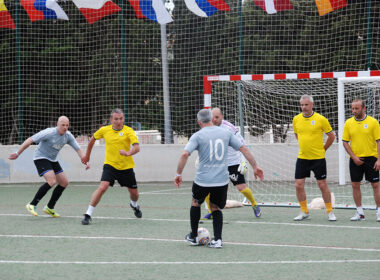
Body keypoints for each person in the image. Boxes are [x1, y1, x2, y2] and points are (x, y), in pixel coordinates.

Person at [174, 109, 264, 248]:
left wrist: (178, 174)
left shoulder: (197, 136)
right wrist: (255, 166)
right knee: (215, 207)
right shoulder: (226, 133)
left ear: (199, 122)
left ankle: (193, 237)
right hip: (221, 180)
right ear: (211, 119)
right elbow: (244, 149)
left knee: (196, 203)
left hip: (203, 180)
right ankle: (218, 240)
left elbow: (185, 154)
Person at [8, 116, 89, 217]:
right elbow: (30, 140)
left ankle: (49, 207)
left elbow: (78, 149)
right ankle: (32, 204)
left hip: (53, 160)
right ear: (57, 124)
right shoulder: (49, 132)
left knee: (64, 183)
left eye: (67, 125)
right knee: (52, 181)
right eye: (62, 125)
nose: (65, 127)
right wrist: (18, 153)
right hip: (40, 157)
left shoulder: (68, 136)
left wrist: (85, 161)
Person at [81, 108, 142, 225]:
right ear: (111, 120)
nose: (119, 121)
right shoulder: (104, 130)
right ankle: (88, 214)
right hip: (110, 165)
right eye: (116, 119)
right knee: (103, 187)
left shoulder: (129, 131)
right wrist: (87, 156)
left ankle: (134, 205)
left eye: (121, 119)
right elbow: (92, 140)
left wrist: (128, 153)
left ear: (123, 119)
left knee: (134, 194)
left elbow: (137, 147)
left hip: (126, 167)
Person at [201, 107, 261, 219]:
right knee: (206, 189)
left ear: (222, 117)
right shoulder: (208, 128)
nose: (214, 120)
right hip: (218, 164)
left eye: (217, 117)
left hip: (233, 163)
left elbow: (242, 145)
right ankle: (212, 213)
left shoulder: (229, 128)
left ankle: (254, 205)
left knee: (241, 188)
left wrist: (244, 161)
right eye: (212, 117)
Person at [292, 95, 337, 221]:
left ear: (312, 105)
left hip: (318, 158)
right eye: (302, 105)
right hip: (302, 158)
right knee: (298, 185)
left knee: (322, 185)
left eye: (306, 105)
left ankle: (329, 212)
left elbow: (331, 136)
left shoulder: (321, 119)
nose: (304, 107)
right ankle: (304, 211)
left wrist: (323, 149)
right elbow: (297, 134)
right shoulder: (296, 119)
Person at [342, 99, 380, 222]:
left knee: (375, 185)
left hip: (371, 158)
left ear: (364, 108)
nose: (354, 111)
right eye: (353, 108)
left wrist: (379, 159)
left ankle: (379, 211)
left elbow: (379, 141)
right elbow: (345, 142)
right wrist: (354, 157)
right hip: (355, 159)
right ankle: (360, 213)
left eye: (357, 108)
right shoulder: (348, 123)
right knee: (355, 185)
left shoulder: (373, 122)